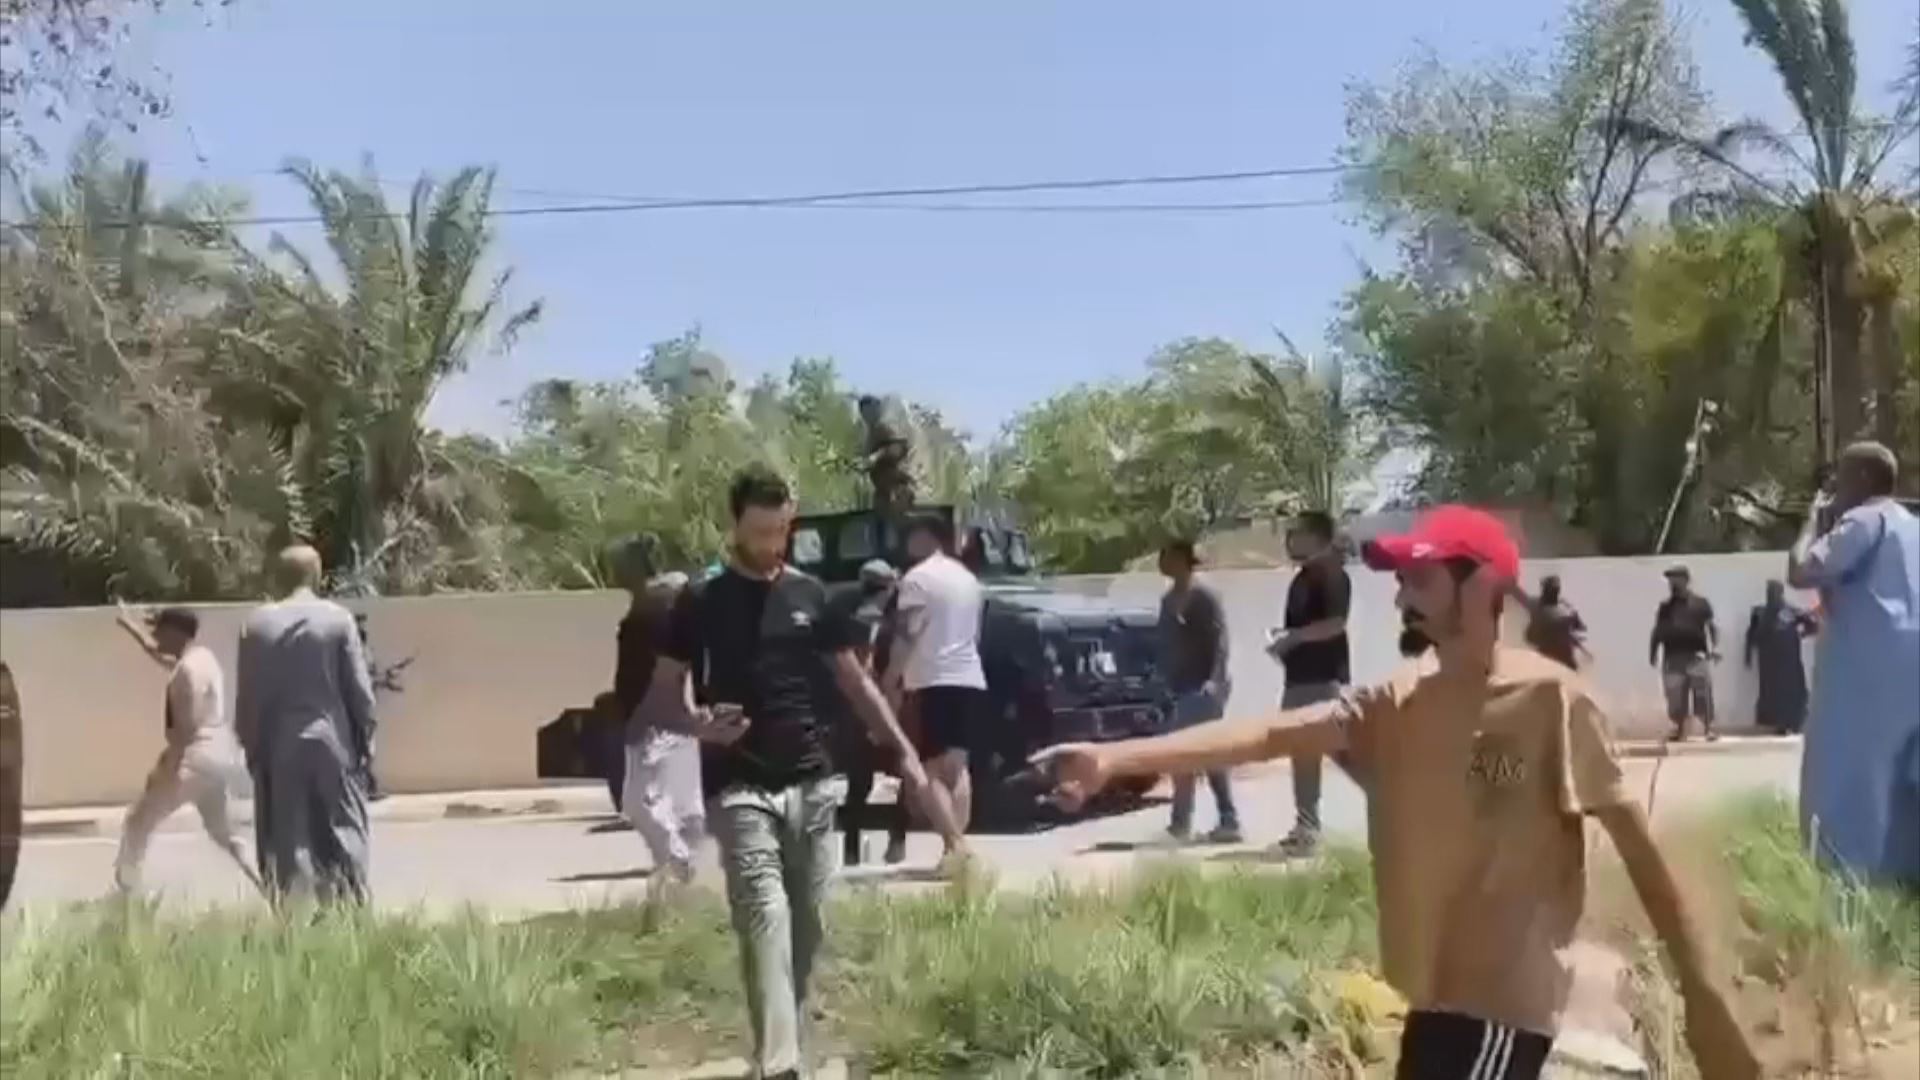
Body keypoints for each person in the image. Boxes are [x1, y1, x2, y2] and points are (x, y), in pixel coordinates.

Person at [1034, 506, 1759, 1080]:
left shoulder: (1553, 702)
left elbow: (1640, 849)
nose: (1402, 595)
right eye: (1402, 580)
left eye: (1421, 579)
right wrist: (1112, 758)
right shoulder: (1399, 702)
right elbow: (1267, 736)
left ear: (1481, 586)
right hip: (1436, 999)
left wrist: (1704, 997)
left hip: (1504, 1007)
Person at [639, 466, 967, 1080]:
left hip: (812, 782)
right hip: (738, 785)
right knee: (763, 914)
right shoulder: (699, 602)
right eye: (760, 531)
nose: (771, 543)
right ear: (735, 523)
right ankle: (781, 1065)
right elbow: (661, 696)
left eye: (781, 530)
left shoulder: (811, 595)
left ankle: (787, 1052)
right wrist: (697, 724)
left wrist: (902, 750)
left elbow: (856, 682)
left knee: (808, 928)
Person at [1789, 441, 1920, 888]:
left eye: (1841, 478)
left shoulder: (1865, 519)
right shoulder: (1912, 526)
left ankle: (1850, 885)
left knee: (1849, 781)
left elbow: (1801, 570)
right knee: (1903, 786)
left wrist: (1811, 520)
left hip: (1867, 674)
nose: (1836, 490)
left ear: (1863, 479)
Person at [235, 546, 379, 905]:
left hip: (278, 747)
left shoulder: (256, 625)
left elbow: (248, 697)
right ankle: (349, 913)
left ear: (277, 577)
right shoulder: (338, 620)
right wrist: (365, 743)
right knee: (343, 832)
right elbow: (360, 693)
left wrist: (252, 748)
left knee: (286, 839)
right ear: (316, 576)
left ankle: (294, 917)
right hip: (332, 743)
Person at [109, 604, 260, 896]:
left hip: (193, 756)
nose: (157, 638)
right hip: (220, 754)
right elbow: (158, 653)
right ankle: (272, 889)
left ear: (175, 633)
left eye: (161, 632)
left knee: (137, 822)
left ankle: (127, 894)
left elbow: (184, 729)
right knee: (227, 835)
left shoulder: (186, 672)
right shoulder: (203, 658)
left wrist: (166, 768)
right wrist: (131, 627)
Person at [890, 514, 988, 842]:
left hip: (931, 678)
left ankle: (955, 844)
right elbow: (975, 633)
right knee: (957, 767)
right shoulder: (968, 579)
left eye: (911, 535)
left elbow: (907, 635)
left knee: (930, 768)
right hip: (968, 676)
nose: (906, 543)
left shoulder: (917, 579)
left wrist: (890, 678)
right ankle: (957, 844)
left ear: (926, 537)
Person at [1265, 510, 1350, 856]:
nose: (1290, 539)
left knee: (1329, 751)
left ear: (1316, 536)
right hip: (1299, 678)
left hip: (1320, 678)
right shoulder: (1302, 577)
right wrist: (1284, 642)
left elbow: (1335, 624)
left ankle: (1310, 830)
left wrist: (1293, 638)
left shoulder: (1331, 574)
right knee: (1302, 753)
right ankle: (1306, 827)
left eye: (1296, 532)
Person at [615, 569, 701, 887]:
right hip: (652, 725)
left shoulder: (663, 633)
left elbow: (674, 681)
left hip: (654, 726)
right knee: (661, 802)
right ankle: (675, 863)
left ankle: (678, 861)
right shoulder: (648, 632)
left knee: (639, 802)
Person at [1156, 539, 1240, 843]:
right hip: (1179, 686)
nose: (1161, 561)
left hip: (1204, 686)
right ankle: (1224, 819)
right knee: (1201, 753)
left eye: (1167, 555)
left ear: (1182, 558)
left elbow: (1220, 641)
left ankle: (1184, 823)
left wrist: (1214, 681)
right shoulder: (1168, 600)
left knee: (1193, 752)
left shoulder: (1204, 596)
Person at [839, 560, 911, 867]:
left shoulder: (850, 616)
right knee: (902, 772)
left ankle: (851, 850)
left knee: (859, 781)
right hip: (889, 705)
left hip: (857, 709)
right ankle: (897, 842)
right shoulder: (891, 622)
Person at [1650, 566, 1720, 742]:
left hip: (1697, 656)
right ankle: (1680, 729)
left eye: (1676, 579)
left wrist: (1714, 648)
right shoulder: (1665, 607)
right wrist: (1653, 651)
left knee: (1702, 693)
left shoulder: (1701, 603)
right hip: (1673, 656)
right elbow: (1658, 630)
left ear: (1686, 580)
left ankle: (1708, 729)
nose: (1672, 584)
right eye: (1670, 581)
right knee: (1675, 697)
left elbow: (1711, 627)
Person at [1743, 580, 1816, 735]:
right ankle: (1773, 723)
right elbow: (1750, 636)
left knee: (1792, 692)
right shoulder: (1760, 612)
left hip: (1789, 661)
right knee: (1771, 693)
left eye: (1775, 591)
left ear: (1781, 593)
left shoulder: (1792, 612)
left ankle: (1793, 722)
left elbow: (1813, 624)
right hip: (1769, 662)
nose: (1773, 594)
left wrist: (1801, 634)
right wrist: (1748, 657)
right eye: (1770, 591)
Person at [858, 394, 914, 517]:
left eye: (870, 411)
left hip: (896, 487)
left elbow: (899, 448)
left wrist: (877, 456)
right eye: (864, 412)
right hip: (882, 489)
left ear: (877, 410)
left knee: (897, 517)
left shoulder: (884, 427)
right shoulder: (869, 433)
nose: (867, 416)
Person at [1516, 574, 1587, 669]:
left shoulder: (1533, 603)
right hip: (1562, 651)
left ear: (1543, 590)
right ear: (1558, 591)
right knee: (1568, 639)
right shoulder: (1567, 608)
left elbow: (1521, 598)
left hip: (1542, 647)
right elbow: (1581, 627)